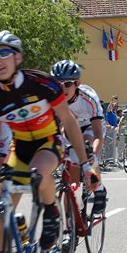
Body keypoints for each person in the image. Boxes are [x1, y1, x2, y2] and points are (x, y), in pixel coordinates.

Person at [0, 30, 98, 253]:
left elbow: (69, 122)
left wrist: (85, 163)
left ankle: (51, 211)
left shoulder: (41, 84)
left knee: (38, 171)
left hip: (48, 142)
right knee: (3, 205)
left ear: (18, 58)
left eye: (4, 53)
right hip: (19, 148)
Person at [50, 59, 107, 215]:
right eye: (58, 84)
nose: (63, 88)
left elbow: (98, 135)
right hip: (69, 128)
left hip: (90, 126)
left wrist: (92, 156)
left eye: (68, 84)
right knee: (72, 169)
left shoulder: (88, 98)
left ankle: (99, 189)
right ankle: (71, 222)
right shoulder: (52, 99)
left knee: (87, 148)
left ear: (77, 83)